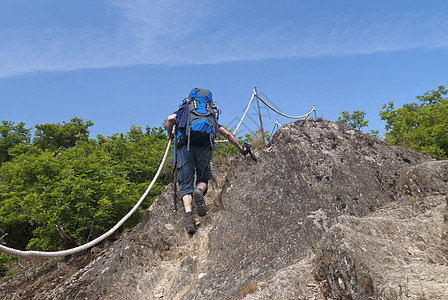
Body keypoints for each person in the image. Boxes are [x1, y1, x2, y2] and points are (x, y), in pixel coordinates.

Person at [166, 89, 246, 235]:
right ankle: (199, 191)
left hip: (185, 147)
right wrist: (241, 149)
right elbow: (227, 134)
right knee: (203, 178)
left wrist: (169, 134)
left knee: (185, 183)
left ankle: (189, 216)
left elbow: (170, 119)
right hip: (204, 146)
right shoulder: (210, 114)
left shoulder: (186, 110)